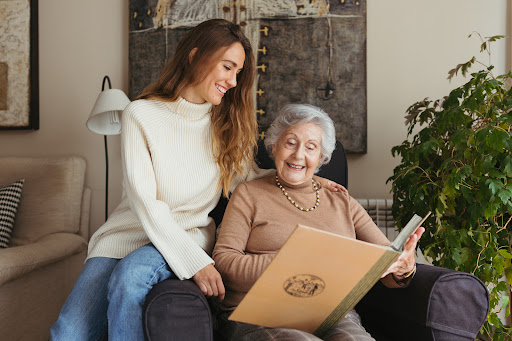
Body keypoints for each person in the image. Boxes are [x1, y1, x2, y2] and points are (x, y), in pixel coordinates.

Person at [50, 20, 342, 341]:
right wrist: (197, 264)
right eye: (227, 67)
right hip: (125, 235)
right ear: (194, 56)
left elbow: (248, 181)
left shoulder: (226, 127)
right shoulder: (140, 115)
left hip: (186, 234)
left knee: (131, 277)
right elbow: (144, 201)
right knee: (67, 332)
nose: (232, 81)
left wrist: (310, 179)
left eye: (238, 73)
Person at [212, 104, 425, 341]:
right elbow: (224, 262)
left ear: (322, 157)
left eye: (311, 147)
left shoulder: (342, 201)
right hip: (258, 314)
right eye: (290, 143)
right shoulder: (248, 194)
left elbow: (384, 263)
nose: (298, 155)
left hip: (331, 315)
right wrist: (293, 261)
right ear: (274, 146)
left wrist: (404, 268)